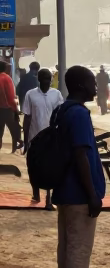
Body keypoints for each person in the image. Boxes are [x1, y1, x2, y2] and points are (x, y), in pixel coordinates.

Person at [51, 65, 105, 268]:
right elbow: (81, 154)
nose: (96, 87)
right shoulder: (79, 114)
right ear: (82, 85)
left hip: (64, 189)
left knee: (67, 245)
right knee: (78, 247)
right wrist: (92, 193)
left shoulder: (62, 110)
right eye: (92, 82)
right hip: (79, 193)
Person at [21, 68, 64, 208]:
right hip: (35, 137)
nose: (46, 81)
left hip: (51, 138)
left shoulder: (56, 94)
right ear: (38, 80)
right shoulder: (30, 94)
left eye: (48, 79)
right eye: (43, 78)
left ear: (51, 80)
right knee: (33, 165)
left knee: (50, 167)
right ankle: (36, 193)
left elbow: (60, 115)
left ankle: (48, 199)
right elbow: (27, 117)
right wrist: (26, 140)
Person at [0, 60, 22, 153]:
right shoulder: (6, 78)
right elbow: (10, 96)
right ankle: (15, 148)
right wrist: (16, 109)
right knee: (14, 130)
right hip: (7, 109)